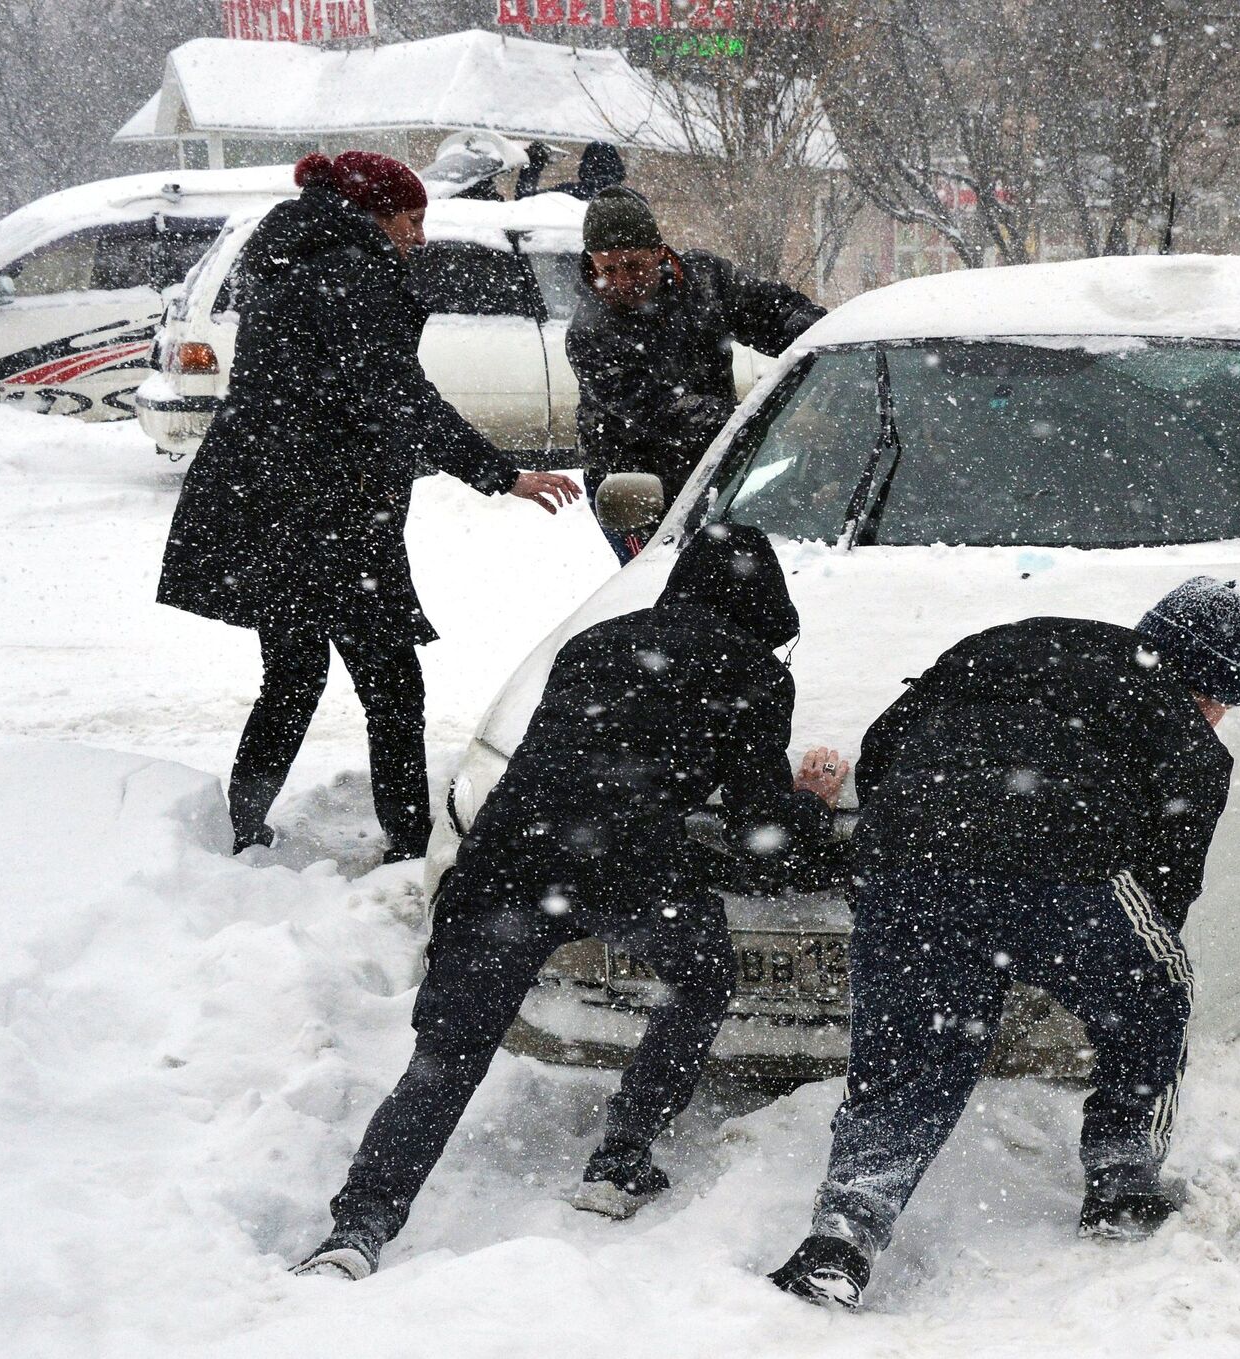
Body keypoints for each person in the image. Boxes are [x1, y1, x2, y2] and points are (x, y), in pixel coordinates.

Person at [293, 523, 848, 1281]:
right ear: (765, 602)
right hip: (628, 862)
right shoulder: (752, 670)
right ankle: (617, 1164)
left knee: (447, 1056)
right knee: (704, 975)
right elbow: (764, 834)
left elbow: (566, 754)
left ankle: (357, 1228)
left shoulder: (595, 641)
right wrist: (808, 802)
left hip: (510, 853)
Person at [769, 578, 1240, 1311]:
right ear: (1212, 689)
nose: (1219, 720)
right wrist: (1082, 952)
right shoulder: (1186, 731)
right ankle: (1123, 1174)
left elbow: (882, 748)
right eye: (1226, 704)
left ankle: (842, 1235)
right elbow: (1165, 893)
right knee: (1161, 984)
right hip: (1059, 871)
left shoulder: (1011, 639)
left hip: (909, 860)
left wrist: (925, 838)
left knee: (906, 1056)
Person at [157, 152, 578, 860]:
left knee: (292, 675)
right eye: (410, 219)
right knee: (390, 684)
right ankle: (409, 843)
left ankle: (242, 825)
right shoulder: (349, 271)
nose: (416, 236)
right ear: (375, 213)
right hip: (329, 513)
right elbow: (396, 395)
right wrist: (501, 474)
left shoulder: (291, 258)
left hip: (272, 499)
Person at [566, 187, 826, 564]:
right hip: (632, 481)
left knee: (727, 573)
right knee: (663, 582)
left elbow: (773, 312)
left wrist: (817, 333)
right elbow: (660, 411)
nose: (623, 281)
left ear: (659, 251)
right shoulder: (590, 332)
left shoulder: (706, 281)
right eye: (609, 270)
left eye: (635, 265)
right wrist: (768, 421)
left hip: (711, 460)